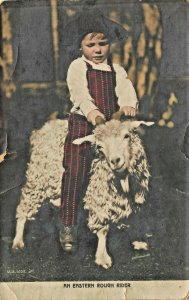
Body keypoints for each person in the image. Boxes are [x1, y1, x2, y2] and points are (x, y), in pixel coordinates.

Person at [60, 8, 138, 253]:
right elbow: (80, 93)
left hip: (110, 131)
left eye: (103, 43)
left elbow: (126, 90)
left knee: (121, 171)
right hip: (84, 126)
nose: (98, 50)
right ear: (80, 46)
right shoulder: (77, 67)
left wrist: (128, 105)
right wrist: (92, 112)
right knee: (76, 171)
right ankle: (68, 224)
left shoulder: (117, 71)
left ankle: (117, 219)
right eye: (91, 44)